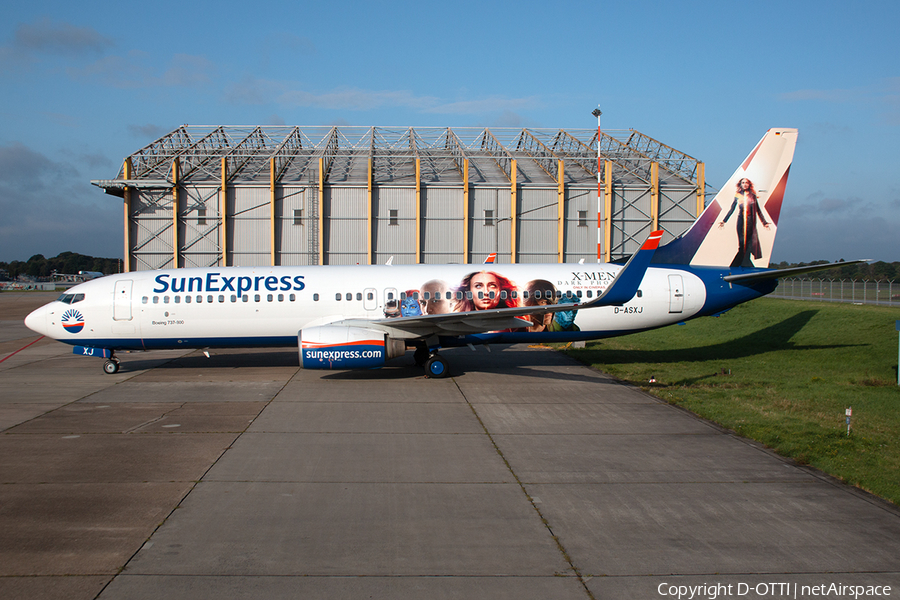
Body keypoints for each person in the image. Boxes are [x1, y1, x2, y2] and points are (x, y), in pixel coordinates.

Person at [718, 177, 770, 268]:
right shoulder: (738, 195)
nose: (745, 184)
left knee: (748, 245)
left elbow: (758, 210)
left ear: (749, 184)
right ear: (740, 184)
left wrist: (764, 222)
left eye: (746, 182)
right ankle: (743, 265)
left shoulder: (752, 196)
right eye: (743, 182)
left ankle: (738, 265)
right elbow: (732, 208)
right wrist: (724, 220)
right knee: (742, 244)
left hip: (750, 223)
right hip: (741, 221)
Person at [452, 271, 519, 312]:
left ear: (500, 291)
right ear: (468, 292)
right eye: (478, 286)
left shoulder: (516, 327)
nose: (486, 292)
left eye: (492, 286)